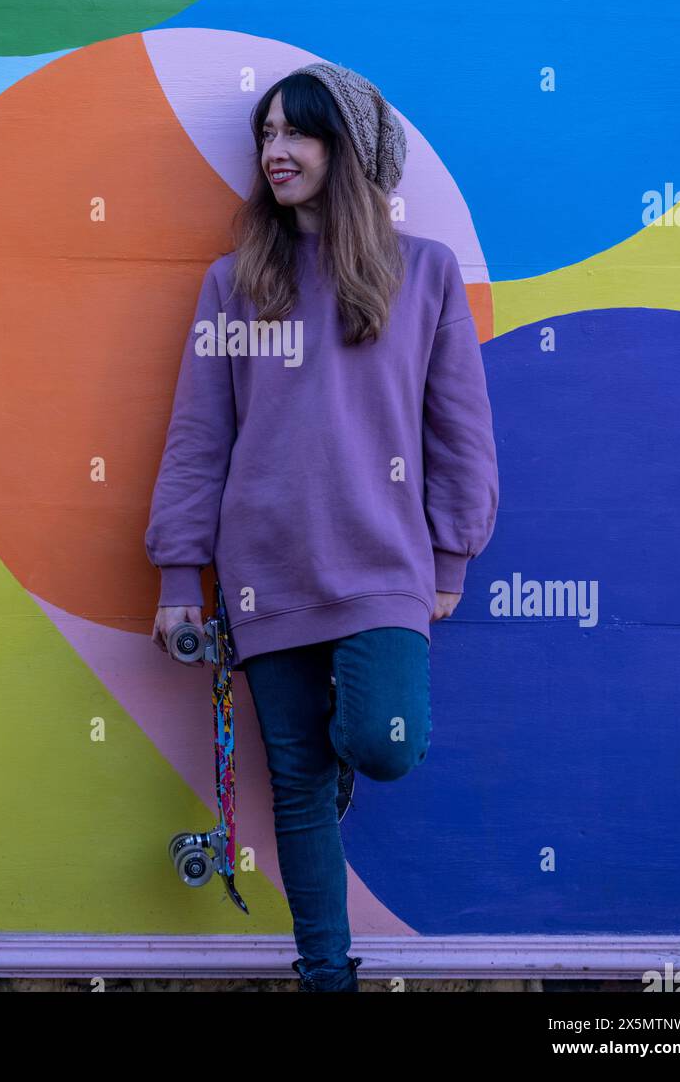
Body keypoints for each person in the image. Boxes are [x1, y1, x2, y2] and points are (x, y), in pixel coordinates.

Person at [145, 61, 499, 992]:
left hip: (384, 565)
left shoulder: (421, 275)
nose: (274, 152)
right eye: (265, 134)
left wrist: (450, 553)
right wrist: (181, 577)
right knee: (295, 783)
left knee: (383, 743)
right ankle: (325, 974)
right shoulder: (235, 285)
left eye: (296, 133)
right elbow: (196, 438)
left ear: (347, 152)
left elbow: (457, 427)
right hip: (262, 572)